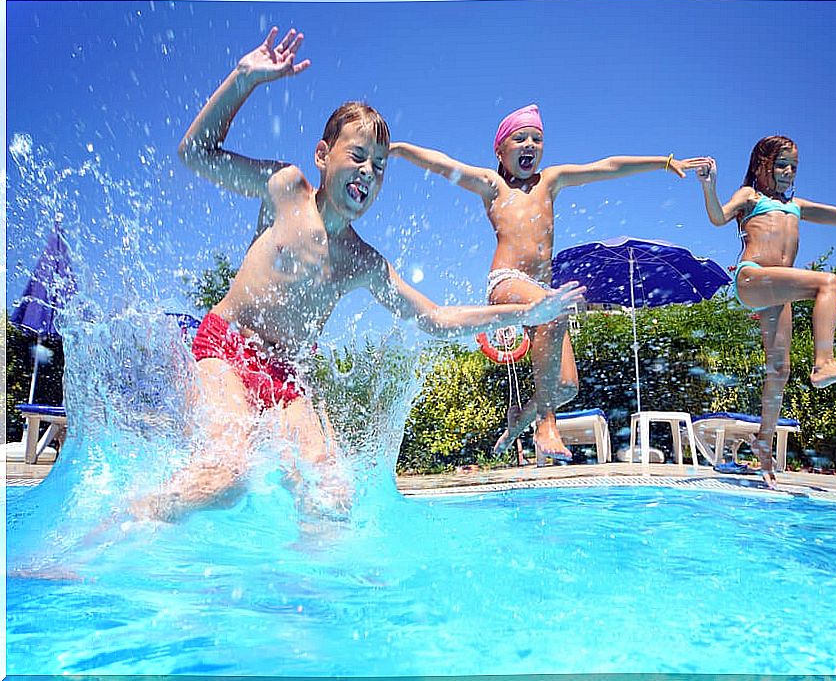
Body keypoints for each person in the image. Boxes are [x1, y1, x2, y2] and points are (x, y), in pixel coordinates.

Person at [134, 29, 585, 522]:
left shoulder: (363, 261)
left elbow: (434, 319)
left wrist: (527, 311)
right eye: (357, 156)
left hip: (287, 376)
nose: (369, 172)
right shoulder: (286, 190)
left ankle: (308, 594)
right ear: (323, 155)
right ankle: (119, 526)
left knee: (332, 498)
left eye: (380, 166)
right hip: (227, 348)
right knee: (226, 475)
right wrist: (244, 80)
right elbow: (195, 153)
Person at [391, 105, 699, 466]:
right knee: (553, 310)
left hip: (542, 290)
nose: (530, 145)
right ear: (500, 150)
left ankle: (520, 417)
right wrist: (397, 149)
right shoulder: (493, 186)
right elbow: (441, 163)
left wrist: (663, 162)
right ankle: (545, 424)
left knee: (566, 386)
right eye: (519, 138)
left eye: (537, 139)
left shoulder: (550, 181)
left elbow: (607, 167)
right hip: (507, 282)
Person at [689, 135, 836, 488]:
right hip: (752, 278)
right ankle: (824, 362)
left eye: (794, 165)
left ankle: (763, 441)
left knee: (779, 369)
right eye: (781, 164)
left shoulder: (796, 205)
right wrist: (710, 185)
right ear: (761, 165)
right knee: (829, 283)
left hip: (777, 294)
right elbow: (719, 217)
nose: (789, 171)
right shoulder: (751, 197)